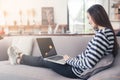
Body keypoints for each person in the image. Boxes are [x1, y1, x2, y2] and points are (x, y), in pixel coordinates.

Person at [7, 4, 118, 79]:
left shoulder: (101, 36)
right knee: (51, 58)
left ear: (96, 16)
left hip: (76, 71)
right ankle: (20, 57)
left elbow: (88, 63)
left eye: (89, 17)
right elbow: (89, 58)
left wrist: (69, 60)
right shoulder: (107, 32)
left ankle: (19, 58)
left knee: (46, 59)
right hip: (76, 66)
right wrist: (70, 59)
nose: (88, 21)